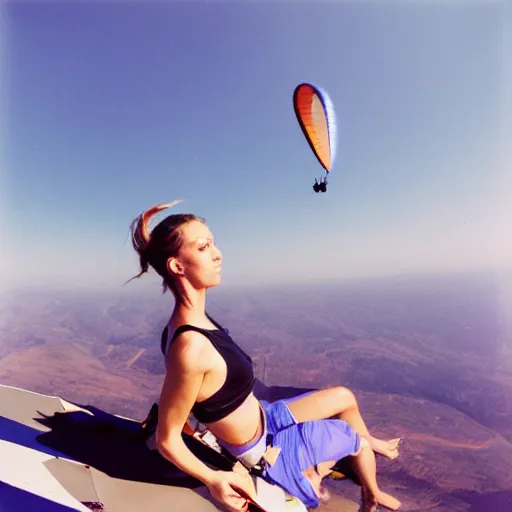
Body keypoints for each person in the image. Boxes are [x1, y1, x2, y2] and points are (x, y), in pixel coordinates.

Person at [127, 201, 402, 512]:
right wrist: (213, 478)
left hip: (266, 417)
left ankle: (368, 445)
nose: (218, 254)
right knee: (353, 439)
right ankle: (371, 493)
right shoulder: (190, 348)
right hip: (267, 451)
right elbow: (167, 438)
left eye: (213, 244)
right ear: (178, 266)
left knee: (343, 397)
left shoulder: (198, 322)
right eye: (204, 248)